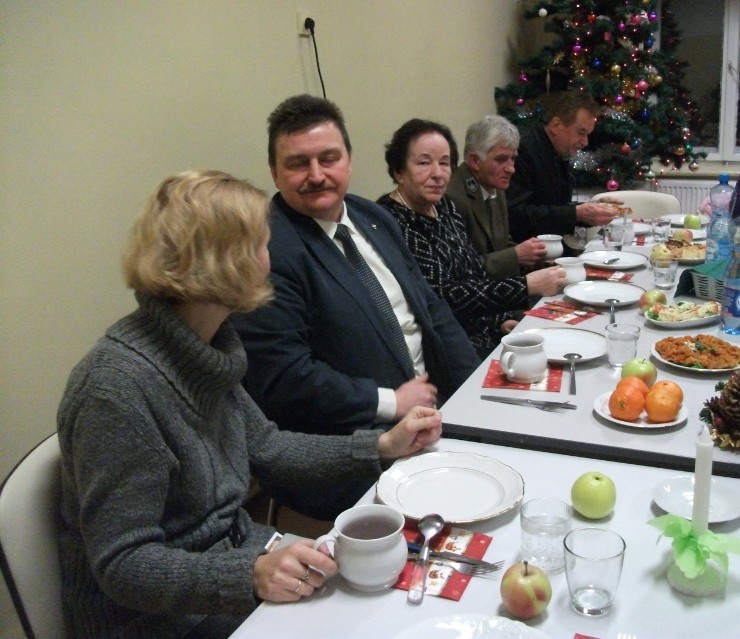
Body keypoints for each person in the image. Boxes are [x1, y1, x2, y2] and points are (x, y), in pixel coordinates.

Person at [57, 170, 443, 639]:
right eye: (264, 245)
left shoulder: (204, 345)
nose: (272, 258)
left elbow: (268, 447)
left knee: (397, 597)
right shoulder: (116, 389)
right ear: (227, 263)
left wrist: (381, 445)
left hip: (231, 561)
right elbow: (122, 564)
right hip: (160, 620)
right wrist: (250, 574)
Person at [231, 96, 479, 520]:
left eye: (329, 158)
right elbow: (285, 377)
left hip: (431, 412)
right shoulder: (266, 250)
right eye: (297, 164)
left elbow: (430, 308)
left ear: (348, 159)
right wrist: (389, 402)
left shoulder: (369, 215)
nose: (316, 175)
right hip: (349, 444)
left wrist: (476, 391)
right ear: (274, 171)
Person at [377, 119, 566, 358]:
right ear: (398, 171)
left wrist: (499, 320)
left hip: (478, 328)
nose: (438, 174)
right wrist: (526, 286)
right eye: (424, 163)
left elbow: (473, 271)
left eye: (444, 163)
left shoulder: (444, 207)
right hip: (440, 347)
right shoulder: (391, 220)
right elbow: (444, 297)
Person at [505, 90, 623, 249]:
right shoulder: (522, 151)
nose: (585, 142)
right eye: (581, 133)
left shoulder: (557, 150)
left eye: (587, 134)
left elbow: (554, 206)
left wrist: (591, 209)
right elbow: (517, 215)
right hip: (530, 254)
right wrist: (576, 213)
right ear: (556, 125)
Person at [445, 114, 548, 277]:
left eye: (513, 159)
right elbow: (462, 269)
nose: (511, 169)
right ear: (474, 161)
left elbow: (501, 244)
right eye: (501, 159)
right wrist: (516, 255)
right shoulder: (452, 197)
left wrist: (532, 256)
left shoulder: (495, 186)